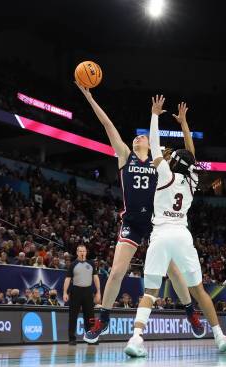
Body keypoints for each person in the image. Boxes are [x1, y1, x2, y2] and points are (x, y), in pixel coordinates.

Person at [76, 84, 203, 344]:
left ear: (150, 143)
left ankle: (190, 311)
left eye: (142, 137)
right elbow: (107, 124)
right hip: (132, 222)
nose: (138, 139)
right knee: (116, 271)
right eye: (136, 138)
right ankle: (103, 319)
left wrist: (184, 125)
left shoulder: (162, 163)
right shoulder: (125, 156)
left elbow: (190, 156)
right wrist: (89, 97)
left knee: (176, 273)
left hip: (158, 224)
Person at [123, 95, 226, 357]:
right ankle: (219, 336)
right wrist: (185, 124)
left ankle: (136, 338)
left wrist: (155, 115)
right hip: (182, 235)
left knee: (150, 291)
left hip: (160, 234)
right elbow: (191, 155)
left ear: (173, 162)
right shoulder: (192, 180)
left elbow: (157, 144)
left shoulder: (165, 173)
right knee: (198, 290)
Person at [63, 244, 101, 345]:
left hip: (88, 291)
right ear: (77, 252)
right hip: (76, 291)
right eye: (80, 251)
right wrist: (65, 292)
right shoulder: (73, 264)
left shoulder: (91, 263)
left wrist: (98, 292)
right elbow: (67, 279)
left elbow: (96, 278)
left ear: (86, 252)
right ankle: (72, 338)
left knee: (90, 316)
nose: (82, 253)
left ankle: (91, 338)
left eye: (84, 251)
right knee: (73, 316)